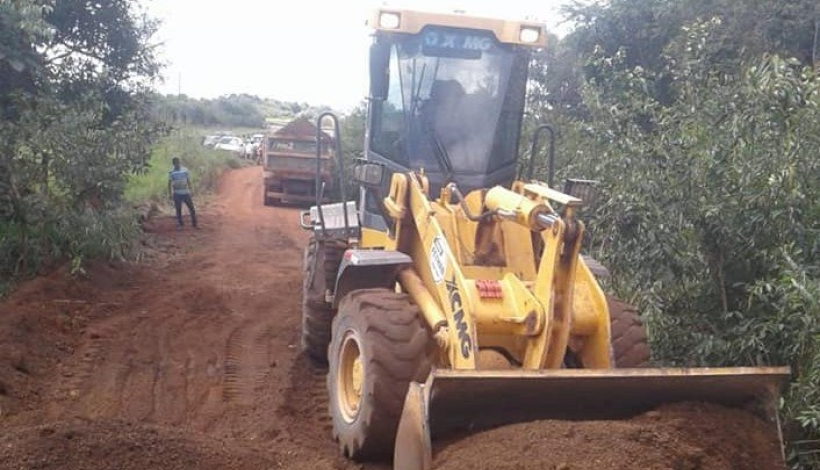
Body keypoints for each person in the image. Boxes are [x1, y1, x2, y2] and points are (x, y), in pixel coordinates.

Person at [168, 157, 198, 228]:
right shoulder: (171, 172)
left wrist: (191, 189)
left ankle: (194, 224)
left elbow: (188, 180)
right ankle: (180, 224)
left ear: (180, 163)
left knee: (192, 209)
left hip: (186, 192)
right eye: (176, 163)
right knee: (178, 210)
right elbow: (169, 184)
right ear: (173, 164)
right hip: (177, 193)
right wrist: (170, 193)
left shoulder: (185, 170)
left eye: (178, 163)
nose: (177, 165)